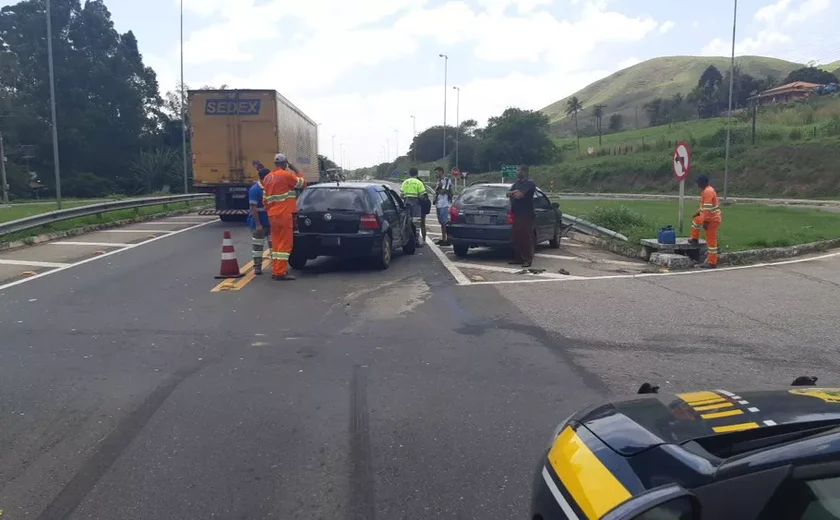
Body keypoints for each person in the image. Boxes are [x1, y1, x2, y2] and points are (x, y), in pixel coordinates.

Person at [262, 153, 306, 281]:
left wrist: (270, 210)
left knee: (276, 244)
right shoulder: (285, 175)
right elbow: (302, 184)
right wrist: (296, 170)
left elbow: (264, 199)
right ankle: (280, 272)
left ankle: (276, 270)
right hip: (284, 214)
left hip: (272, 214)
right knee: (286, 244)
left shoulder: (267, 178)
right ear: (285, 163)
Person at [688, 174, 722, 269]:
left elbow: (707, 208)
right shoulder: (706, 190)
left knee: (711, 241)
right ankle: (694, 239)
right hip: (709, 217)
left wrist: (706, 221)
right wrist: (698, 213)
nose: (697, 185)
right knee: (696, 220)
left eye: (699, 183)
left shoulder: (707, 192)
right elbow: (704, 207)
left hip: (712, 219)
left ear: (703, 183)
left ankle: (712, 262)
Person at [506, 165, 537, 267]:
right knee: (516, 236)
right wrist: (515, 192)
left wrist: (516, 193)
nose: (516, 172)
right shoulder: (517, 184)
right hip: (517, 214)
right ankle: (518, 258)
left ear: (524, 172)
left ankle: (528, 259)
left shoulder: (529, 183)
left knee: (526, 237)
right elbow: (508, 193)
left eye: (518, 170)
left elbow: (519, 196)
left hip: (526, 214)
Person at [247, 165, 272, 275]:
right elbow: (253, 208)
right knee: (258, 246)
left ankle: (276, 267)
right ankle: (257, 267)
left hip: (271, 222)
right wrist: (258, 224)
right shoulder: (255, 190)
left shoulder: (270, 187)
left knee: (274, 247)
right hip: (259, 223)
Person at [401, 167, 427, 246]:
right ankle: (416, 240)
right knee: (416, 223)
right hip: (416, 205)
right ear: (417, 173)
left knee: (406, 222)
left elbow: (401, 195)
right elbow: (423, 196)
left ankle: (406, 240)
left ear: (409, 173)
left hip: (406, 204)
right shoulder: (419, 182)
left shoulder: (405, 182)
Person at [433, 166, 454, 246]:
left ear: (441, 172)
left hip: (444, 204)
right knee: (441, 222)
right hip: (439, 203)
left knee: (445, 222)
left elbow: (443, 191)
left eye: (437, 172)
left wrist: (438, 190)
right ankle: (443, 238)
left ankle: (447, 239)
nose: (436, 174)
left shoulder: (446, 180)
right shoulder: (439, 181)